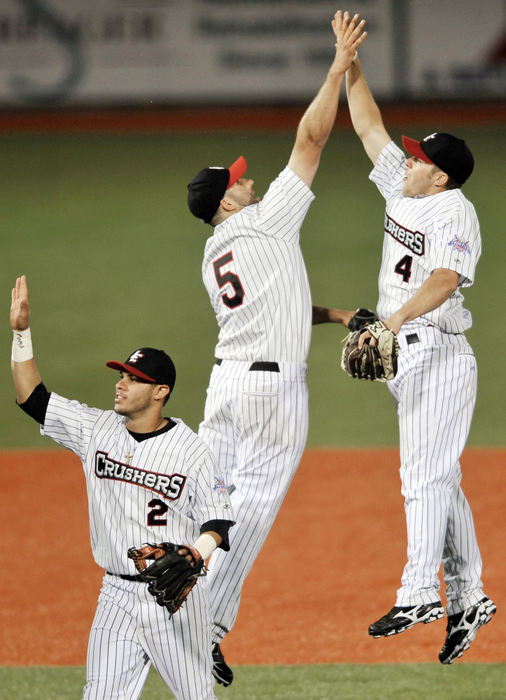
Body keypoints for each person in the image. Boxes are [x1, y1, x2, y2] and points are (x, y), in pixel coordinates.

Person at [186, 10, 367, 686]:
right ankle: (202, 629)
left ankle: (181, 603)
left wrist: (338, 313)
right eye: (237, 179)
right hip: (270, 397)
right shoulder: (264, 222)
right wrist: (337, 64)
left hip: (226, 388)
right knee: (250, 514)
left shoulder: (213, 255)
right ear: (226, 203)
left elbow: (278, 308)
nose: (248, 179)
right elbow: (313, 137)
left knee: (213, 509)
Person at [338, 11, 496, 665]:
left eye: (422, 158)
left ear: (442, 175)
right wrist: (348, 62)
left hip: (435, 347)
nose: (408, 160)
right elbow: (368, 123)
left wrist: (394, 320)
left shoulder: (454, 208)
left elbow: (446, 277)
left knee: (421, 476)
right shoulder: (403, 189)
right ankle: (470, 596)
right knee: (442, 479)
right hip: (408, 355)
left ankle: (418, 594)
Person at [10, 275, 235, 699]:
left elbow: (218, 519)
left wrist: (194, 553)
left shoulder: (190, 450)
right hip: (115, 595)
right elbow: (32, 398)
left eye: (132, 378)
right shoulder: (97, 429)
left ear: (159, 392)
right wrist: (21, 334)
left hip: (176, 599)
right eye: (121, 375)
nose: (121, 383)